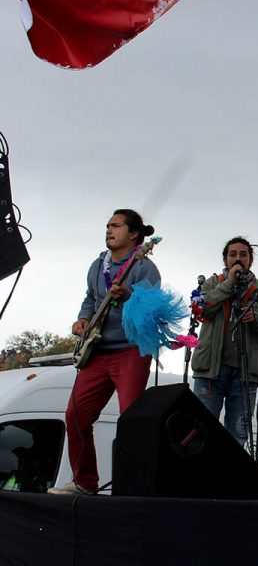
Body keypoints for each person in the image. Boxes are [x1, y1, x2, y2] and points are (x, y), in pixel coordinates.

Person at [49, 209, 160, 495]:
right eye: (108, 226)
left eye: (116, 226)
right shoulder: (98, 265)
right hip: (96, 351)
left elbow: (152, 308)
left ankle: (134, 486)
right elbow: (91, 298)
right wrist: (82, 318)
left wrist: (130, 296)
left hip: (130, 350)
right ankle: (85, 482)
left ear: (134, 234)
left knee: (131, 420)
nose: (109, 230)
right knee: (75, 415)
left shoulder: (144, 267)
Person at [190, 237, 258, 448]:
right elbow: (202, 309)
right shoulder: (212, 282)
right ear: (225, 259)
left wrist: (256, 319)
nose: (238, 258)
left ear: (251, 260)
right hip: (211, 371)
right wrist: (228, 284)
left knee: (238, 437)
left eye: (243, 254)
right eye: (233, 254)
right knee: (201, 431)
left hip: (246, 374)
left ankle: (230, 480)